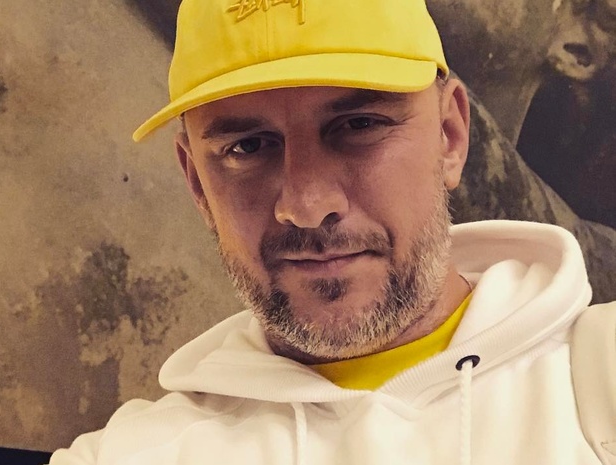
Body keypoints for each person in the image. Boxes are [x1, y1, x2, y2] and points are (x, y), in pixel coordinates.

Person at [50, 0, 603, 463]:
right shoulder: (126, 455)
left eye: (359, 125)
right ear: (197, 183)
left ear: (449, 135)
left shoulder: (600, 379)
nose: (307, 206)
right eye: (247, 147)